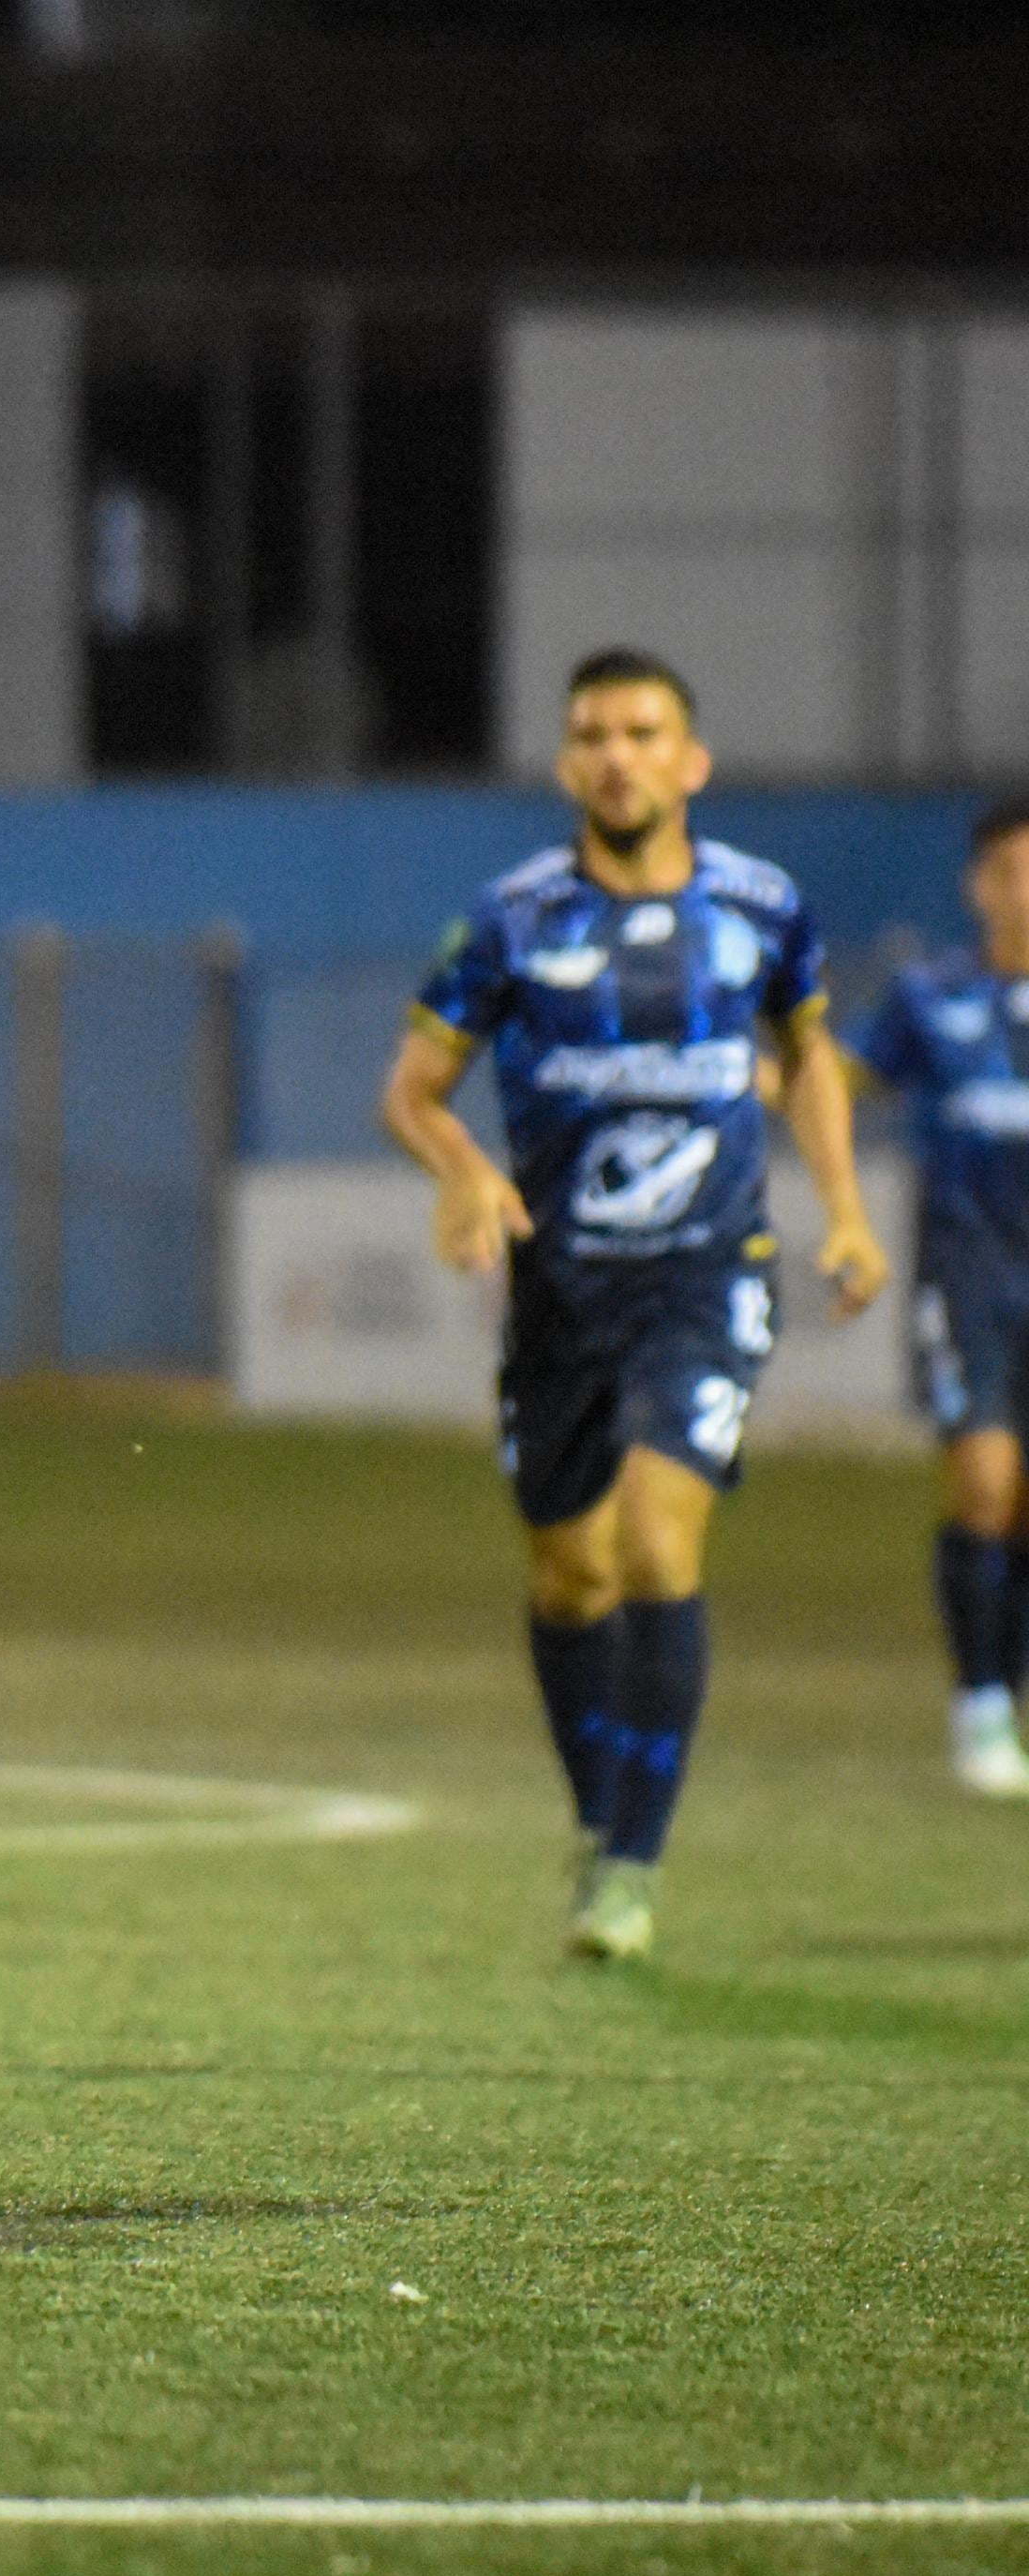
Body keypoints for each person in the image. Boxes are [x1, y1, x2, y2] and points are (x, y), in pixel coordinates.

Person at [379, 646, 886, 1963]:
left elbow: (809, 1053)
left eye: (643, 731)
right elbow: (412, 1090)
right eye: (594, 734)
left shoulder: (763, 907)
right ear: (565, 763)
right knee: (568, 1575)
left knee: (659, 1546)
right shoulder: (510, 918)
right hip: (559, 1290)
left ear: (691, 761)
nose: (618, 754)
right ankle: (601, 1816)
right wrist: (466, 1170)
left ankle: (633, 1868)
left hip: (706, 1276)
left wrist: (842, 1208)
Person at [852, 795, 1029, 1798]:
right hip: (967, 1278)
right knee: (982, 1486)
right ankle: (978, 1704)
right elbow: (844, 1078)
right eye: (1006, 871)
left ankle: (1002, 1690)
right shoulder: (930, 997)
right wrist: (735, 1070)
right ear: (976, 885)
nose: (1021, 891)